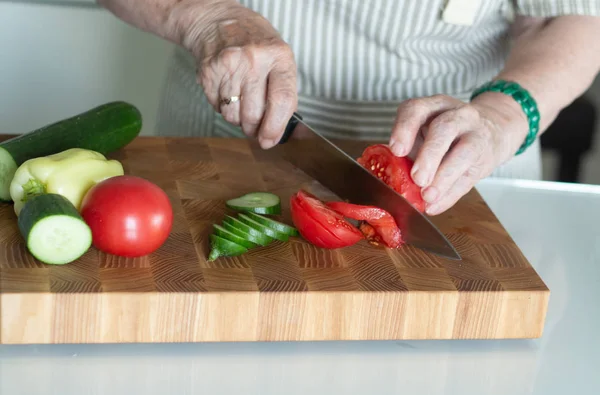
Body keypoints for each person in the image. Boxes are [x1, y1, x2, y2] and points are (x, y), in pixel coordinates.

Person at [98, 0, 600, 215]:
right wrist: (207, 17)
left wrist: (503, 116)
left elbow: (574, 18)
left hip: (461, 156)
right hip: (220, 138)